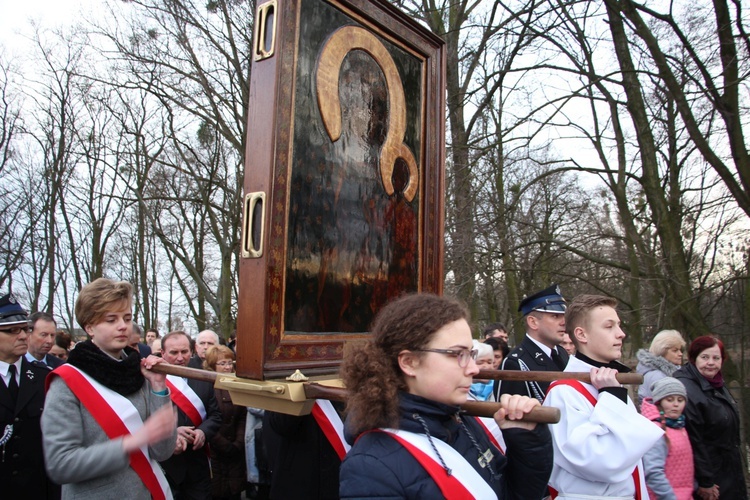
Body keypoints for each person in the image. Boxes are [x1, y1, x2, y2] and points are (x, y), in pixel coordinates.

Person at [340, 293, 553, 499]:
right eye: (457, 354)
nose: (473, 369)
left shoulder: (460, 420)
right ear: (409, 362)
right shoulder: (370, 466)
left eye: (471, 354)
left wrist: (527, 443)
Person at [42, 279, 177, 499]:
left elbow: (162, 452)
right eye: (111, 319)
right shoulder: (67, 382)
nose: (123, 326)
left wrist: (159, 387)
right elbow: (60, 465)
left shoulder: (137, 372)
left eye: (127, 318)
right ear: (89, 327)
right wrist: (130, 443)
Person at [542, 294, 663, 499]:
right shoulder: (564, 392)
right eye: (609, 327)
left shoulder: (609, 384)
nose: (621, 334)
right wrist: (612, 399)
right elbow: (597, 462)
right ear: (582, 335)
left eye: (619, 325)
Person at [0, 293, 60, 499]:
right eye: (11, 331)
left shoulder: (45, 378)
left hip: (37, 489)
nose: (23, 336)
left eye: (24, 329)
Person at [674, 336, 746, 500]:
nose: (711, 363)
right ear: (694, 359)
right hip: (710, 476)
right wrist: (706, 481)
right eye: (705, 357)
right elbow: (694, 440)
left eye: (716, 358)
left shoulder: (716, 382)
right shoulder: (688, 389)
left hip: (728, 468)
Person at [160, 330, 222, 499]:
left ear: (192, 351)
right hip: (167, 466)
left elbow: (215, 415)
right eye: (174, 353)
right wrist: (173, 433)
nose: (180, 358)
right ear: (163, 353)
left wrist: (203, 431)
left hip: (198, 465)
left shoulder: (203, 377)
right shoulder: (152, 381)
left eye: (184, 352)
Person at [498, 284, 569, 402]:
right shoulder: (516, 364)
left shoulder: (561, 353)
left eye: (564, 316)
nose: (564, 322)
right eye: (555, 316)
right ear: (533, 322)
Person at [204, 346, 246, 500]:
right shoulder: (206, 386)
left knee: (234, 491)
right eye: (223, 363)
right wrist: (222, 444)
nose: (228, 367)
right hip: (215, 450)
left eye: (230, 363)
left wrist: (238, 442)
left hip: (235, 449)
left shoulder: (236, 384)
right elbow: (207, 418)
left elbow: (242, 415)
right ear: (212, 365)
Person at [640, 377, 694, 500]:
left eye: (680, 400)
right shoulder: (656, 430)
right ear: (659, 402)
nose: (676, 404)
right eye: (669, 400)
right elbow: (653, 472)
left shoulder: (679, 427)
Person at [636, 329, 685, 404]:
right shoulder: (657, 376)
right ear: (662, 351)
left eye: (680, 350)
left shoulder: (669, 372)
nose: (680, 354)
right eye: (675, 350)